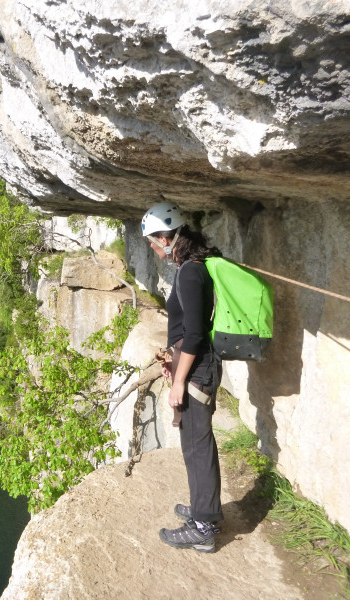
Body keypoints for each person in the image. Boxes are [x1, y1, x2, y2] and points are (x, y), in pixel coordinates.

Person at [141, 201, 224, 553]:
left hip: (198, 368)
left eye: (151, 240)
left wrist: (178, 382)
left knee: (197, 445)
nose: (151, 246)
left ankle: (203, 527)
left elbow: (193, 334)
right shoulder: (193, 266)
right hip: (195, 364)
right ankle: (203, 511)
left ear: (165, 237)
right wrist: (173, 361)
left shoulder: (190, 272)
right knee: (195, 444)